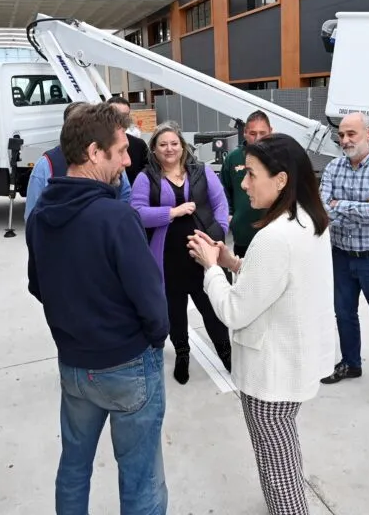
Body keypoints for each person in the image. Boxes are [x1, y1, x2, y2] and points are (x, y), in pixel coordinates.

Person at [26, 102, 170, 515]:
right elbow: (152, 303)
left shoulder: (39, 216)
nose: (128, 160)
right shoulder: (115, 217)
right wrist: (153, 340)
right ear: (94, 152)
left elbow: (38, 286)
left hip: (74, 367)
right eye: (121, 150)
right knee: (141, 476)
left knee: (73, 466)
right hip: (127, 365)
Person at [187, 133, 336, 515]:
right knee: (282, 454)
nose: (245, 184)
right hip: (293, 365)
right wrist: (233, 263)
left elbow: (234, 311)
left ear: (281, 179)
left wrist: (210, 269)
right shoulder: (308, 220)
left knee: (278, 467)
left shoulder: (275, 237)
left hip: (272, 375)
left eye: (251, 174)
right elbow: (277, 284)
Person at [130, 121, 231, 384]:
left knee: (211, 307)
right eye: (162, 144)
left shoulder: (201, 171)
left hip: (201, 256)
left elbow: (221, 203)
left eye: (174, 143)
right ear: (154, 149)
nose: (169, 148)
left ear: (182, 146)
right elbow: (136, 213)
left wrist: (218, 232)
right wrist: (171, 213)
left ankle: (226, 351)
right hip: (167, 257)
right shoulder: (146, 177)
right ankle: (182, 353)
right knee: (175, 311)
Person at [318, 111, 369, 409]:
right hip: (341, 256)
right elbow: (322, 210)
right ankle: (351, 363)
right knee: (344, 314)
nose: (345, 140)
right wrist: (358, 206)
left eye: (351, 134)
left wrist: (338, 205)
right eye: (341, 135)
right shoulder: (332, 168)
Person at [25, 101, 131, 221]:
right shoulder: (46, 164)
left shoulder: (114, 161)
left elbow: (125, 194)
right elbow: (32, 216)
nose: (127, 161)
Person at [219, 110, 272, 257]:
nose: (258, 138)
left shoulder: (279, 157)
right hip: (243, 232)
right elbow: (223, 189)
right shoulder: (233, 159)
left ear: (271, 132)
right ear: (245, 133)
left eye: (263, 133)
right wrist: (229, 214)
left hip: (271, 232)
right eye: (253, 133)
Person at [107, 95, 149, 183]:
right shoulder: (97, 144)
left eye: (125, 115)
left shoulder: (139, 145)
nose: (121, 119)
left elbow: (149, 172)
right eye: (116, 114)